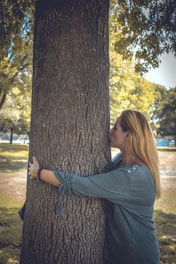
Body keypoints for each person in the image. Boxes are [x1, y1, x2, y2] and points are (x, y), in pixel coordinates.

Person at [29, 109, 161, 264]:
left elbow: (81, 185)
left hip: (136, 256)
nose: (109, 130)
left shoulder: (133, 176)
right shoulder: (121, 162)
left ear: (128, 135)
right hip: (121, 253)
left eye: (115, 127)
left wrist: (38, 172)